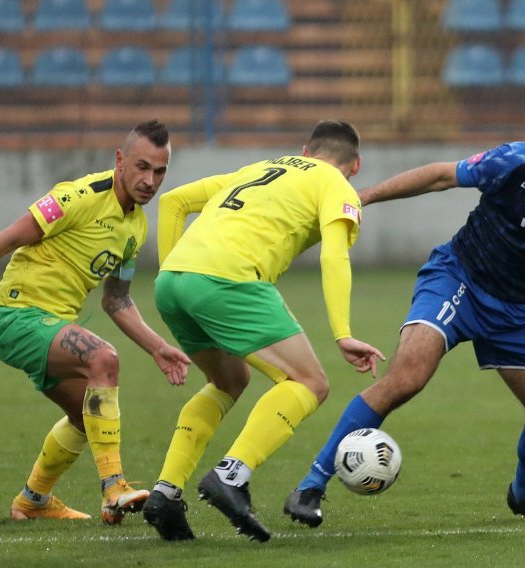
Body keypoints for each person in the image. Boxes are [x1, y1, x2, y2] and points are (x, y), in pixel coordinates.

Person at [284, 89, 525, 526]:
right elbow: (442, 176)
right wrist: (364, 197)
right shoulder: (519, 160)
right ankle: (310, 486)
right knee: (407, 378)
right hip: (458, 278)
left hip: (515, 310)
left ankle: (524, 495)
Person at [0, 120, 190, 523]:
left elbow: (116, 300)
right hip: (17, 316)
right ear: (120, 160)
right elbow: (9, 236)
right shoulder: (79, 196)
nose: (150, 180)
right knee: (104, 359)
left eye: (160, 171)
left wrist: (157, 347)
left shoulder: (135, 227)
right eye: (142, 166)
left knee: (87, 416)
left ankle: (33, 499)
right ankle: (113, 487)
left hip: (52, 326)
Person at [141, 120, 385, 542]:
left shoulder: (259, 168)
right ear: (356, 166)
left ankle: (165, 492)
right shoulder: (338, 186)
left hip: (174, 282)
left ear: (305, 152)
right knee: (309, 382)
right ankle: (231, 475)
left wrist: (174, 270)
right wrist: (342, 332)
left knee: (228, 379)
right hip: (229, 279)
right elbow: (335, 257)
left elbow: (174, 202)